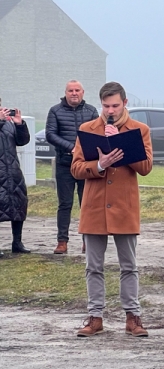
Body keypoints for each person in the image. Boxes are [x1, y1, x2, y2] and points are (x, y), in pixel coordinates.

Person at [71, 82, 154, 337]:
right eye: (106, 106)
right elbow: (75, 168)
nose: (111, 110)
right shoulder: (87, 129)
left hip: (124, 207)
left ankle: (133, 318)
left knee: (129, 265)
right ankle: (95, 317)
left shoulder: (140, 130)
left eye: (115, 105)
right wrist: (99, 164)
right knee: (93, 266)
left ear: (125, 103)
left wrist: (120, 145)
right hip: (95, 207)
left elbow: (146, 167)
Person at [45, 79, 99, 254]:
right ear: (65, 93)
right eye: (70, 90)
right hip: (64, 165)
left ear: (83, 92)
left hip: (86, 166)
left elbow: (98, 133)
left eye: (77, 90)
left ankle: (88, 241)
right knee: (65, 204)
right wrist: (72, 148)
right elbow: (51, 135)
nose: (74, 93)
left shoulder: (91, 111)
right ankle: (62, 241)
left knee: (87, 204)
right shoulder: (55, 111)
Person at [0, 101, 30, 257]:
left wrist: (19, 125)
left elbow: (23, 141)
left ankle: (17, 242)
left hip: (12, 171)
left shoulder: (8, 123)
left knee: (18, 204)